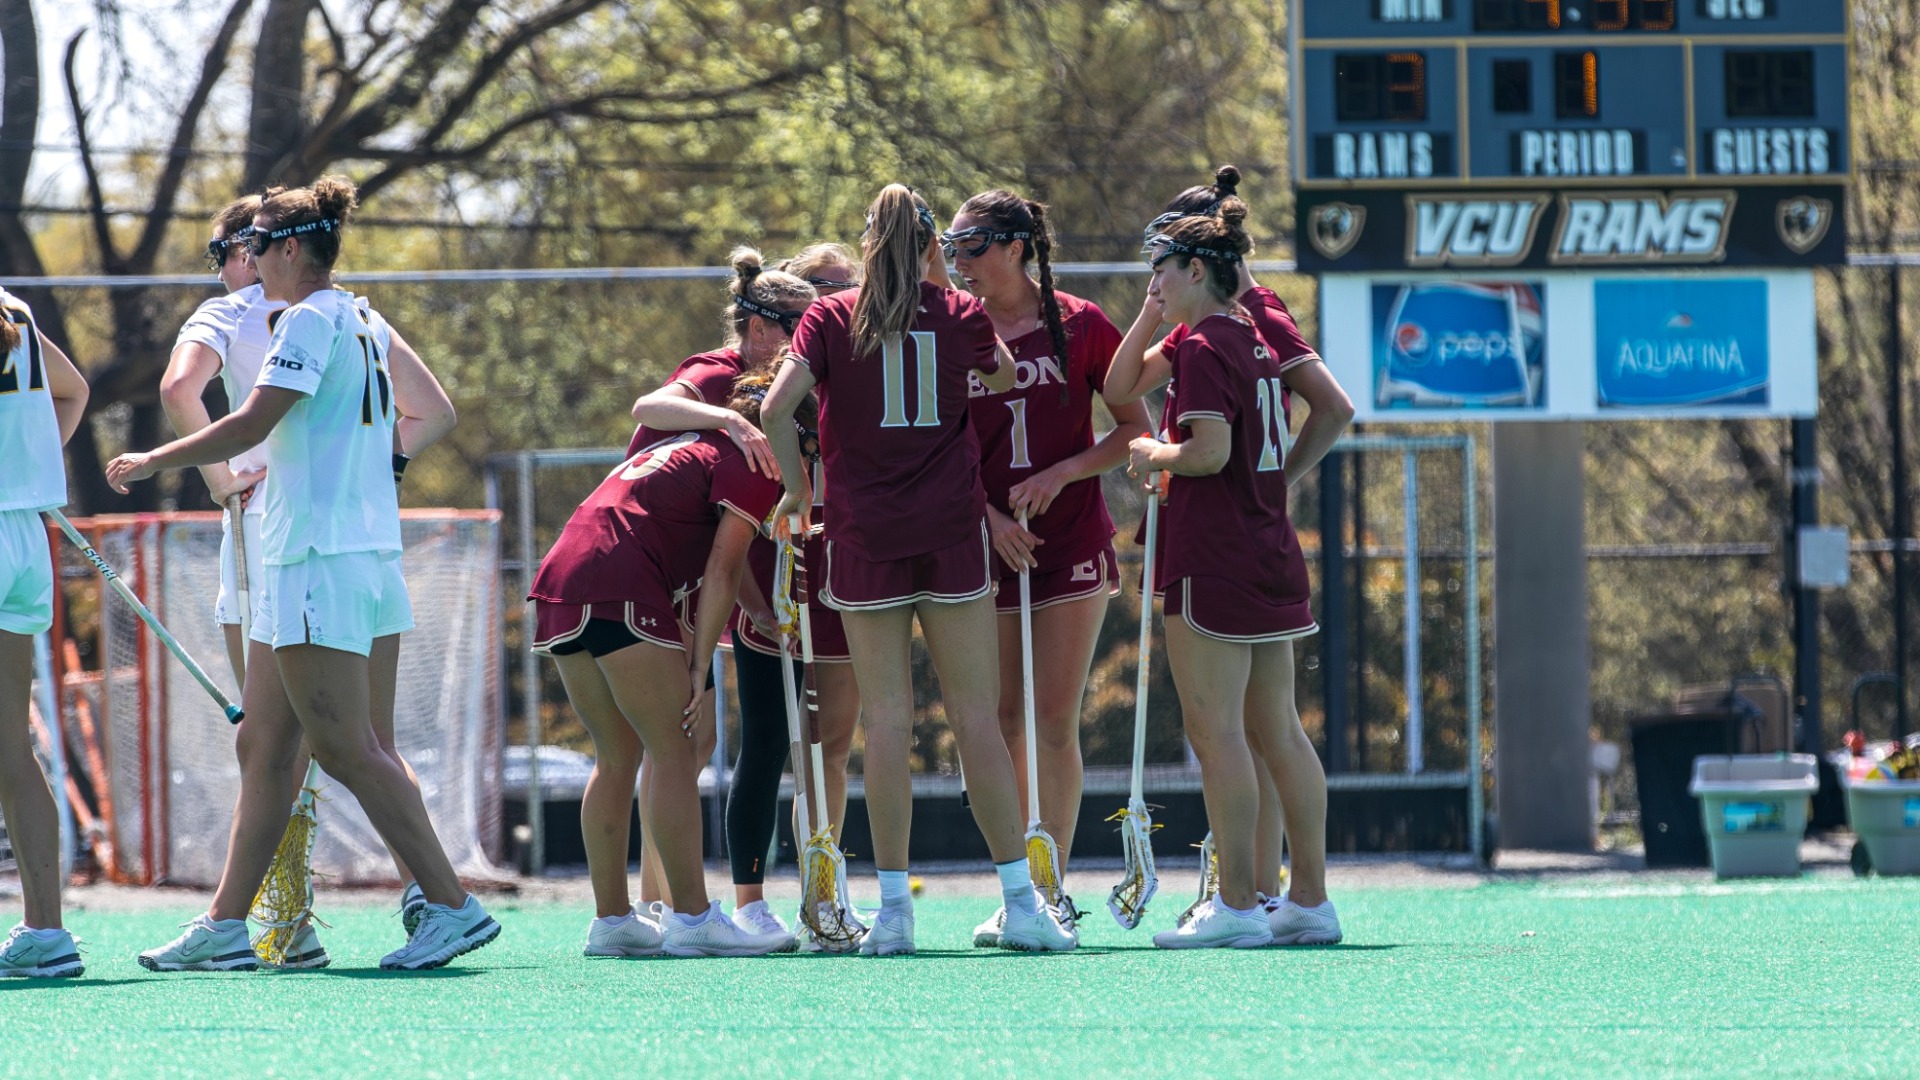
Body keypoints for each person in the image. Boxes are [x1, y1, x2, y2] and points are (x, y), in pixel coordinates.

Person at [107, 176, 497, 972]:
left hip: (314, 560)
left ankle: (451, 904)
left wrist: (155, 458)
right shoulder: (357, 313)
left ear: (290, 249)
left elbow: (252, 420)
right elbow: (416, 417)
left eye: (255, 247)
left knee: (348, 749)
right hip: (342, 554)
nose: (246, 262)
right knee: (269, 741)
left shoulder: (312, 318)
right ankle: (224, 927)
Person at [762, 184, 1078, 955]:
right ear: (932, 246)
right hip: (949, 532)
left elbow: (775, 410)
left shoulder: (829, 316)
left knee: (887, 722)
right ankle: (1021, 902)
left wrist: (798, 493)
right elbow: (1002, 377)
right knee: (976, 719)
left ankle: (896, 913)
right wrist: (939, 287)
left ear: (867, 246)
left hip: (866, 534)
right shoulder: (960, 312)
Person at [1116, 165, 1354, 944]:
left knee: (1218, 732)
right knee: (1274, 727)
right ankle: (1306, 902)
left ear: (1196, 266)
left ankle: (1240, 905)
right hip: (1264, 549)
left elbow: (1210, 451)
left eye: (1162, 267)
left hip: (1214, 553)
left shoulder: (1215, 342)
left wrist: (1154, 452)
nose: (1152, 280)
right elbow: (1119, 383)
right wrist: (1152, 315)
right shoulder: (1241, 332)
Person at [575, 247, 818, 951]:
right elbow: (648, 406)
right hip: (654, 566)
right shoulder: (721, 373)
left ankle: (646, 908)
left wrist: (759, 606)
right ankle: (674, 910)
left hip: (678, 565)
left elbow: (728, 549)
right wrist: (734, 422)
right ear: (761, 326)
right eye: (799, 325)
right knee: (674, 741)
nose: (810, 340)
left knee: (681, 741)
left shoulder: (786, 383)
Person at [530, 369, 806, 958]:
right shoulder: (754, 460)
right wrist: (698, 661)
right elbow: (724, 568)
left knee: (617, 754)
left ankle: (611, 922)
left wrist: (753, 611)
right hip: (620, 581)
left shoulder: (687, 444)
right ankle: (694, 918)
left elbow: (698, 547)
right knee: (674, 749)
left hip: (560, 579)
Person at [942, 191, 1152, 945]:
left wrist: (1061, 474)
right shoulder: (950, 327)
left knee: (1054, 721)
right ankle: (1017, 890)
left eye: (973, 246)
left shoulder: (1082, 322)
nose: (960, 262)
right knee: (999, 720)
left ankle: (1052, 885)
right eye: (952, 247)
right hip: (986, 545)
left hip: (1068, 543)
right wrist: (987, 515)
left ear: (1017, 247)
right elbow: (932, 448)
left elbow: (1134, 428)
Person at [0, 287, 91, 978]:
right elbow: (75, 391)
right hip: (25, 538)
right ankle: (45, 933)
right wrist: (27, 463)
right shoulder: (17, 307)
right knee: (9, 746)